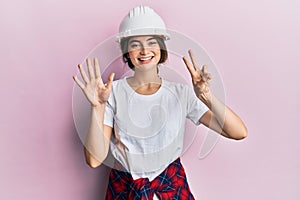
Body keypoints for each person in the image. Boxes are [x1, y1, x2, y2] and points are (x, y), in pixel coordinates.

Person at [73, 6, 247, 200]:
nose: (145, 50)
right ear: (126, 51)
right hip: (125, 190)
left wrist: (206, 96)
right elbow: (94, 160)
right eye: (135, 44)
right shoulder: (111, 92)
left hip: (170, 187)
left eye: (151, 42)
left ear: (161, 47)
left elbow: (238, 132)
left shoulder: (181, 93)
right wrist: (97, 107)